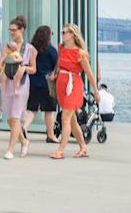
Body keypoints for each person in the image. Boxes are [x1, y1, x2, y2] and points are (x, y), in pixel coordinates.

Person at [0, 14, 34, 160]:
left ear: (22, 30)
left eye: (14, 30)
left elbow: (34, 69)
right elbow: (1, 64)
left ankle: (10, 150)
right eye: (10, 30)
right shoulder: (6, 46)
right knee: (9, 119)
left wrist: (24, 68)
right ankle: (24, 141)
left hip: (22, 83)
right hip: (7, 83)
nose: (12, 33)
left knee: (15, 118)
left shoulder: (30, 48)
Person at [51, 23, 99, 160]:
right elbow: (59, 64)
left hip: (74, 86)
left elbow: (89, 73)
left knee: (64, 118)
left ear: (72, 34)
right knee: (72, 122)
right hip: (62, 83)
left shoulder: (80, 53)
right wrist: (55, 74)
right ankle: (83, 147)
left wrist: (96, 91)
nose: (62, 34)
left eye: (65, 32)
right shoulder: (61, 48)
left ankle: (60, 151)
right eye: (62, 32)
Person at [23, 25, 59, 143]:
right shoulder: (51, 50)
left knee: (32, 109)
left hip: (32, 82)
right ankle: (50, 135)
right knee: (49, 111)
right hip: (47, 84)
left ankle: (24, 128)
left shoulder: (31, 49)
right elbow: (57, 66)